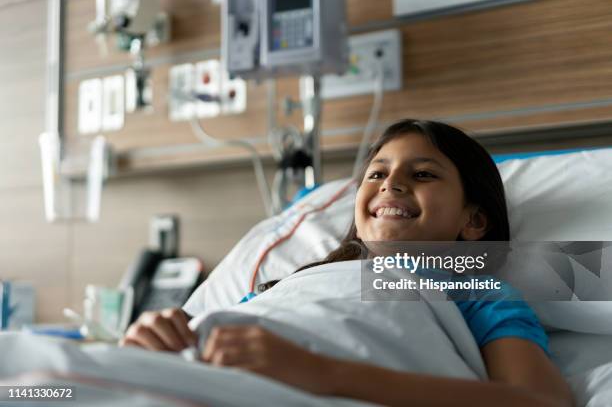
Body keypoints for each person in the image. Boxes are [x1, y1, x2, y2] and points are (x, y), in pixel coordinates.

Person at [120, 119, 574, 406]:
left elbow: (539, 401)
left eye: (423, 174)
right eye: (376, 173)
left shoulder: (472, 289)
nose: (390, 183)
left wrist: (323, 373)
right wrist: (154, 339)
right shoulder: (291, 281)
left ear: (473, 221)